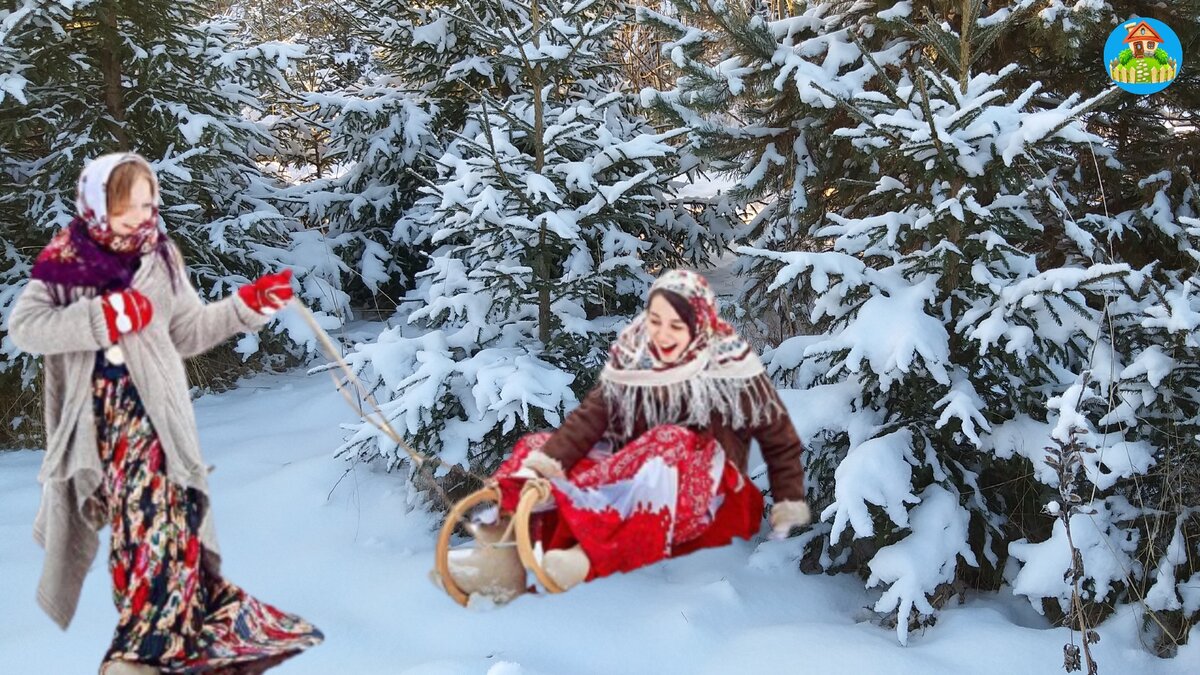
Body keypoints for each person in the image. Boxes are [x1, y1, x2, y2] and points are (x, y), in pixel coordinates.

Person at [8, 152, 323, 674]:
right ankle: (142, 651)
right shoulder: (65, 262)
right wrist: (100, 316)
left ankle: (167, 644)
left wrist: (246, 306)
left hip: (162, 414)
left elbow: (187, 332)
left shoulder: (160, 257)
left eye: (148, 202)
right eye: (127, 204)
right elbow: (27, 328)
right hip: (100, 419)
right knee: (145, 523)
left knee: (177, 520)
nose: (141, 214)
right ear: (96, 204)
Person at [446, 269, 812, 600]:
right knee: (537, 447)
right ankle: (502, 550)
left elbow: (771, 433)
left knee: (666, 446)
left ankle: (581, 554)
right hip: (639, 467)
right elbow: (595, 417)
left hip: (697, 486)